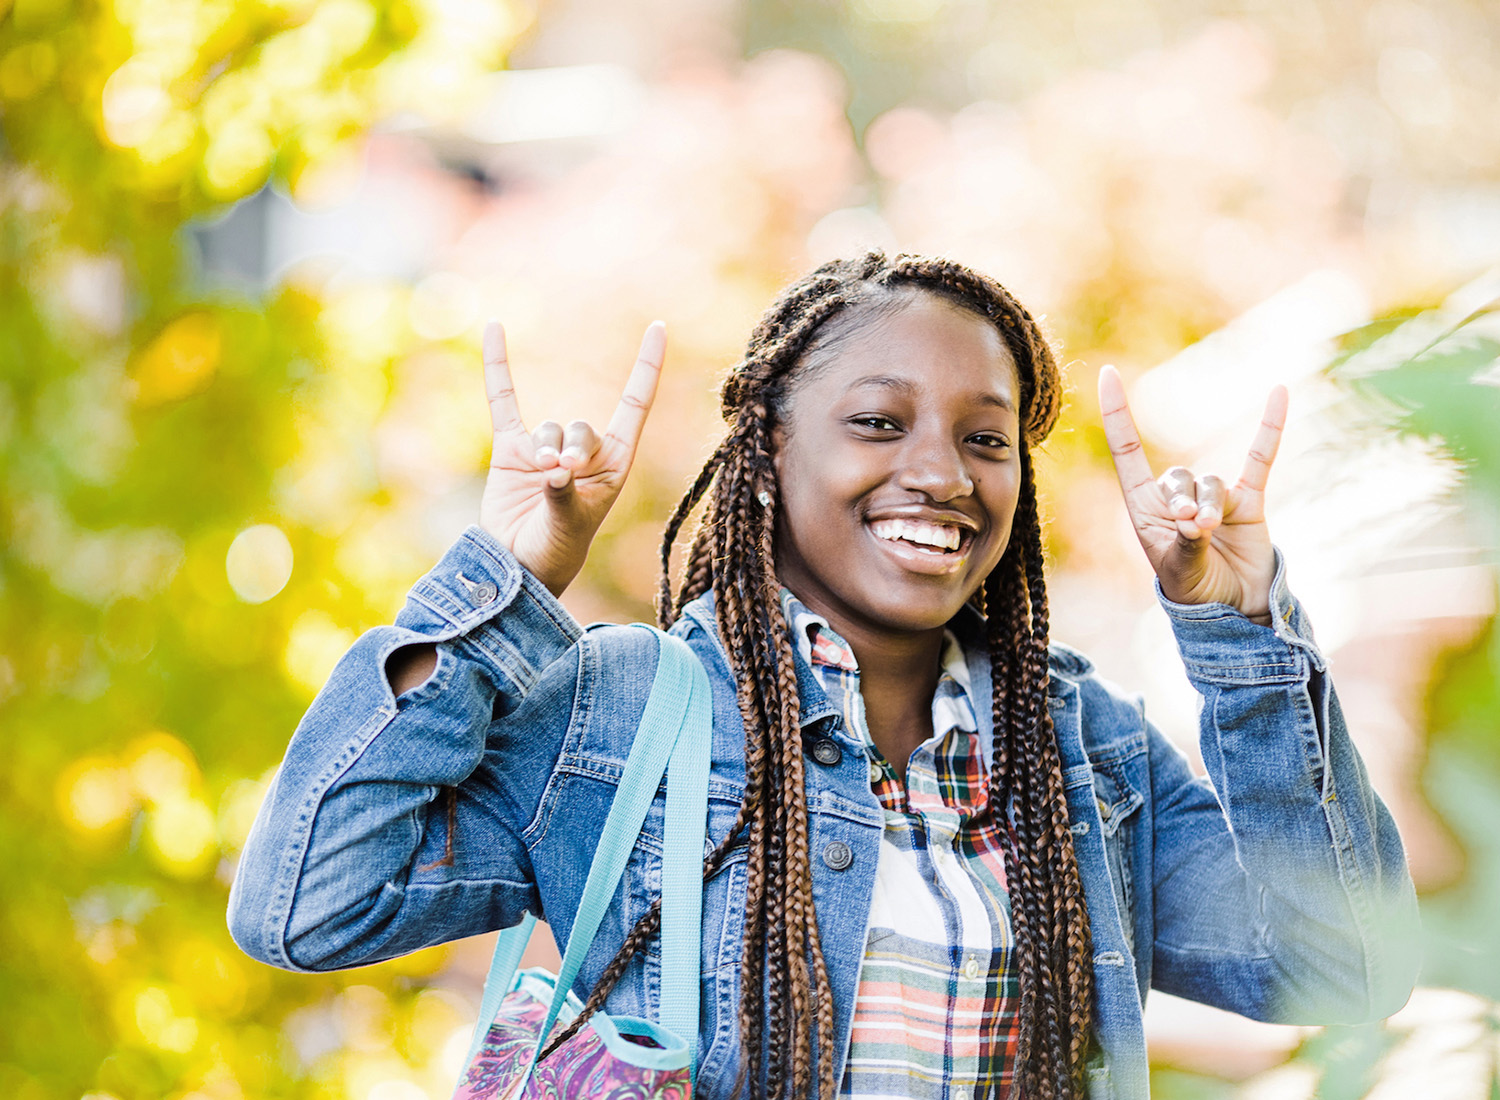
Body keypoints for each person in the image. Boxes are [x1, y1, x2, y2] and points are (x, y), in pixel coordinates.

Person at [228, 253, 1420, 1100]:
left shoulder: (1082, 747)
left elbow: (1345, 962)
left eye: (984, 436)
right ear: (767, 455)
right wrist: (506, 583)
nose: (942, 473)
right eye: (878, 421)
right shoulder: (622, 711)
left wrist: (1241, 628)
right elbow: (305, 903)